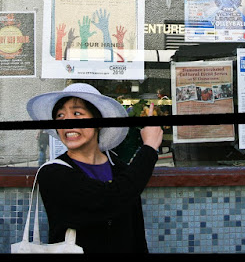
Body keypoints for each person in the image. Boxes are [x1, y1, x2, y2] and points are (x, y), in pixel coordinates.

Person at [26, 83, 163, 253]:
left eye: (77, 113)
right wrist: (149, 148)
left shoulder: (119, 169)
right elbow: (111, 200)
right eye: (60, 115)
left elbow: (135, 232)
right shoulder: (52, 173)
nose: (67, 122)